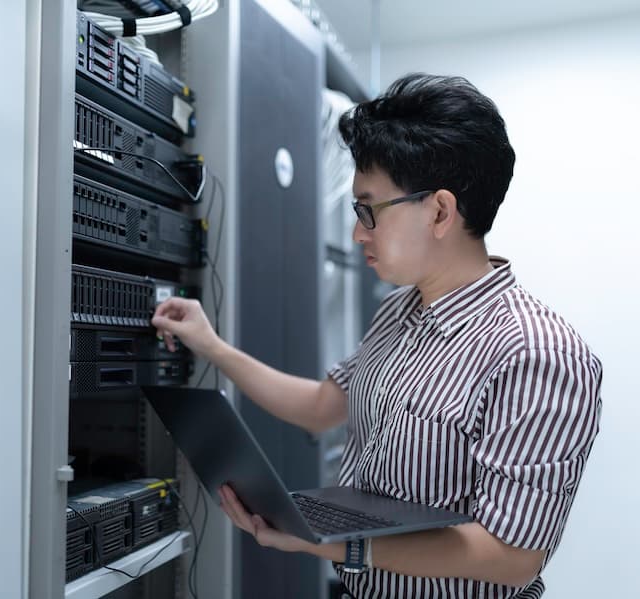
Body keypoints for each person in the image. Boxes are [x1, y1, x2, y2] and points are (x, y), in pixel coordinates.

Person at [151, 74, 602, 599]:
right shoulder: (396, 312)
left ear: (439, 211)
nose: (357, 233)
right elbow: (323, 405)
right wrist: (212, 346)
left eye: (369, 210)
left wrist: (330, 544)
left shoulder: (538, 355)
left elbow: (512, 557)